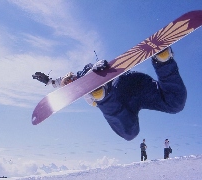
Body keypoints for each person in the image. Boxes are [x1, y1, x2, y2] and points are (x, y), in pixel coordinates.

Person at [34, 47, 187, 141]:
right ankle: (164, 60)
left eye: (71, 80)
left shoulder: (84, 75)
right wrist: (48, 81)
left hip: (118, 93)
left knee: (128, 132)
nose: (70, 83)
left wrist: (95, 70)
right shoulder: (77, 87)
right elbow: (61, 82)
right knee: (175, 102)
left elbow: (85, 73)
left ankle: (102, 96)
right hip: (138, 84)